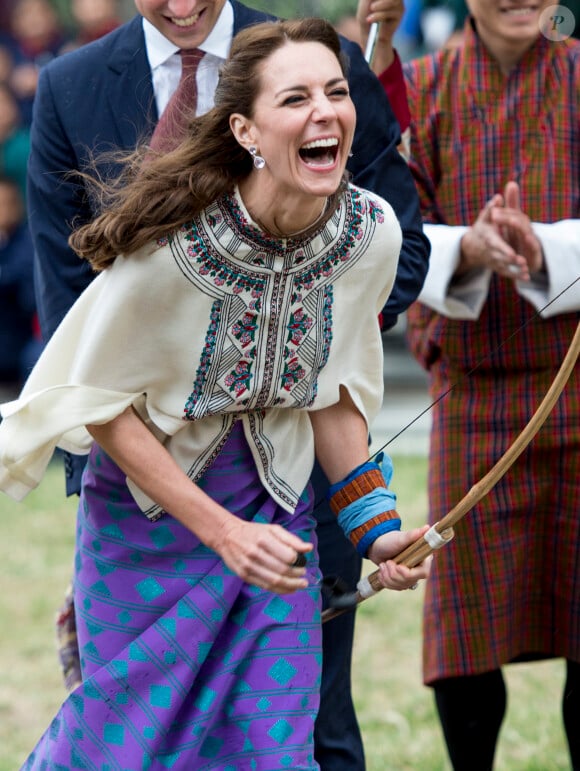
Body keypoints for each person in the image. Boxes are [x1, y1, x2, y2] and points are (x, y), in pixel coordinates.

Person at [0, 18, 432, 768]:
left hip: (276, 514)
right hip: (144, 526)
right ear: (247, 130)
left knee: (272, 750)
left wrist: (378, 531)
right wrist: (221, 532)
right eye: (295, 98)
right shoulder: (170, 247)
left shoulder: (371, 234)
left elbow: (331, 393)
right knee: (124, 750)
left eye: (335, 92)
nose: (325, 111)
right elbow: (98, 400)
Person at [358, 1, 580, 768]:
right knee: (464, 634)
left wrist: (544, 245)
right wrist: (469, 247)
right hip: (477, 390)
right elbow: (385, 219)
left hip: (576, 381)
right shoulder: (415, 84)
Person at [0, 174, 41, 401]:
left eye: (8, 203)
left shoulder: (28, 242)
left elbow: (29, 297)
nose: (3, 211)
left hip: (18, 343)